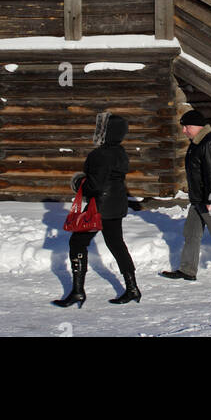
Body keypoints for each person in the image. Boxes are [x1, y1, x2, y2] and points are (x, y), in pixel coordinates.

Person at [53, 111, 141, 308]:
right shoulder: (120, 152)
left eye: (101, 128)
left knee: (77, 243)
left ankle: (77, 291)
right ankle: (132, 288)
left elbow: (96, 184)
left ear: (106, 132)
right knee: (117, 245)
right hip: (116, 205)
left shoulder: (100, 154)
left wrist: (78, 182)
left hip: (99, 207)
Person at [160, 109, 211, 281]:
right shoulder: (198, 142)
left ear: (198, 126)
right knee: (191, 232)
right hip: (199, 199)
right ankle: (187, 270)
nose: (184, 131)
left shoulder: (209, 143)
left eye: (186, 127)